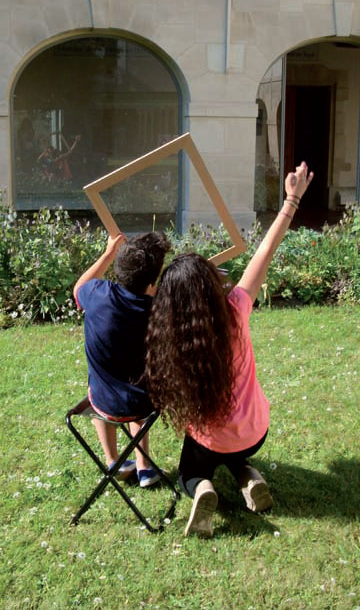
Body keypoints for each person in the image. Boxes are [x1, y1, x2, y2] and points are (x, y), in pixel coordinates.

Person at [144, 162, 314, 537]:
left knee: (192, 469)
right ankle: (247, 476)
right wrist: (292, 198)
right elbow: (265, 253)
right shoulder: (237, 307)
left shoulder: (173, 336)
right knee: (234, 448)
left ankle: (203, 488)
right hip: (256, 431)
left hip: (210, 440)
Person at [73, 231, 172, 487]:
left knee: (98, 386)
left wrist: (107, 254)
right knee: (138, 385)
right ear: (153, 283)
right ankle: (144, 467)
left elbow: (78, 289)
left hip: (104, 401)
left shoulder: (97, 294)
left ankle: (113, 460)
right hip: (145, 404)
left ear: (118, 268)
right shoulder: (159, 310)